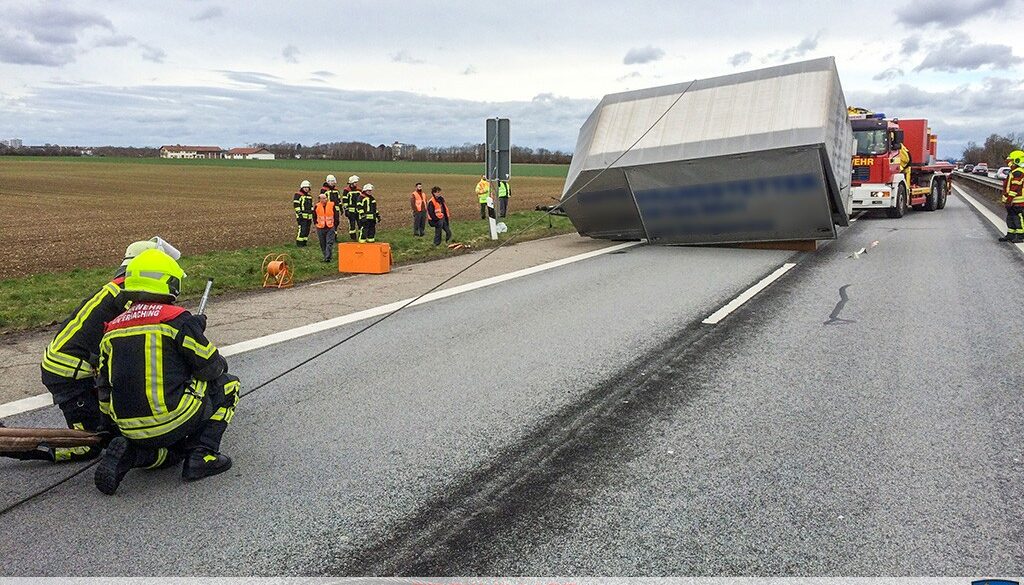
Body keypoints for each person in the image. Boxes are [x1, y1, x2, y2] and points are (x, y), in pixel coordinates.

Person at [0, 239, 179, 464]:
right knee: (89, 444)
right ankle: (13, 447)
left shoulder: (119, 287)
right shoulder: (129, 295)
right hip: (70, 375)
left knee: (114, 428)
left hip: (74, 366)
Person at [93, 249, 240, 494]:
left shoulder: (112, 328)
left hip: (128, 427)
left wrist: (110, 428)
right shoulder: (176, 320)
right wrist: (195, 332)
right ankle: (202, 456)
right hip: (172, 418)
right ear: (168, 282)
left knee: (172, 456)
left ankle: (133, 455)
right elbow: (211, 368)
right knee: (229, 384)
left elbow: (104, 387)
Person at [1000, 150, 1024, 243]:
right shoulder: (1014, 171)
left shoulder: (1018, 172)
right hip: (1013, 201)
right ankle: (1011, 234)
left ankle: (1021, 236)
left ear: (1017, 161)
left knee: (1018, 218)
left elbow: (1015, 188)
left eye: (1011, 161)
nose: (1010, 163)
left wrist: (1009, 200)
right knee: (1011, 217)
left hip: (1018, 201)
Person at [314, 191, 339, 262]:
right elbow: (314, 216)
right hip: (320, 227)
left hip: (330, 226)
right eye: (322, 198)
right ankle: (325, 256)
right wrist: (316, 223)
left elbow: (336, 215)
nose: (324, 200)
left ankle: (328, 257)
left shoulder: (331, 205)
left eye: (325, 198)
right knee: (322, 243)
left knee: (329, 243)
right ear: (319, 199)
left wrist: (335, 223)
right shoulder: (317, 206)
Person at [293, 180, 313, 247]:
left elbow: (311, 206)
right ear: (302, 188)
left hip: (309, 216)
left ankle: (304, 242)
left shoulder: (309, 196)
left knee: (307, 230)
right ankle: (299, 243)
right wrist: (299, 213)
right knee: (302, 229)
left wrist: (313, 212)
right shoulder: (298, 195)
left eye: (307, 187)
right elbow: (296, 205)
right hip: (301, 216)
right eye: (305, 187)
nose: (306, 189)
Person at [342, 175, 363, 241]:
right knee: (352, 225)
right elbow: (345, 200)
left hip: (358, 210)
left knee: (360, 224)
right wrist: (346, 210)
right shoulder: (346, 190)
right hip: (351, 211)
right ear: (351, 183)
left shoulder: (359, 190)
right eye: (355, 182)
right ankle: (353, 238)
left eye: (356, 182)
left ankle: (360, 236)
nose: (356, 184)